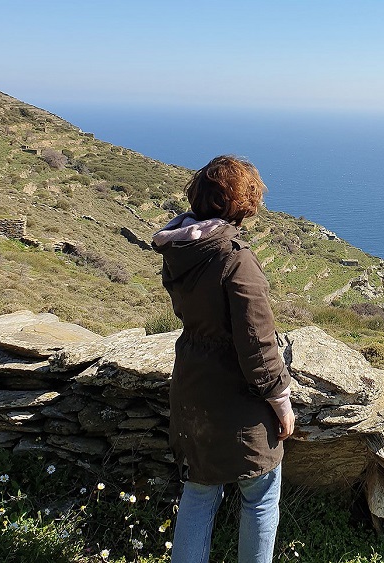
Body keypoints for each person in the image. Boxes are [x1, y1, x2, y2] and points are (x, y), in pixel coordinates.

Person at [152, 155, 295, 563]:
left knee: (198, 493)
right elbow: (257, 344)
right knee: (261, 496)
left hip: (192, 390)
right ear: (241, 202)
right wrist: (281, 402)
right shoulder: (235, 258)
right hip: (238, 403)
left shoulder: (180, 249)